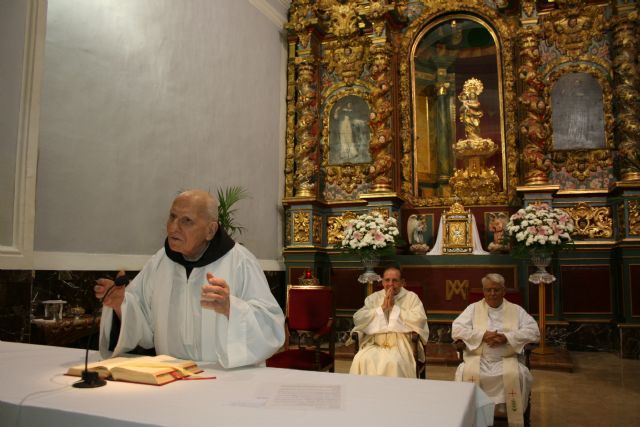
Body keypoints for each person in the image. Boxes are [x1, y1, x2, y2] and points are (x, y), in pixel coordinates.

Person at [94, 189, 285, 368]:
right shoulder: (160, 261)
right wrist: (121, 305)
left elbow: (270, 325)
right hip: (170, 374)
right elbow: (142, 316)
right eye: (172, 217)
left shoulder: (239, 262)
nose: (173, 227)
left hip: (224, 377)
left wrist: (231, 308)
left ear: (210, 230)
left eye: (186, 221)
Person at [452, 273, 540, 426]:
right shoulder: (473, 309)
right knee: (463, 371)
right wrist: (482, 335)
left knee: (520, 374)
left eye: (496, 290)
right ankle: (472, 420)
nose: (492, 294)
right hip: (479, 360)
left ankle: (514, 419)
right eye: (488, 290)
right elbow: (457, 329)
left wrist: (507, 337)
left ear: (503, 291)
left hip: (507, 360)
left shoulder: (516, 310)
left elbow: (534, 331)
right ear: (483, 291)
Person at [349, 266, 429, 378]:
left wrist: (394, 309)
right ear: (382, 282)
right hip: (375, 342)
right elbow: (358, 318)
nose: (390, 284)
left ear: (402, 282)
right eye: (387, 280)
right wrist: (380, 309)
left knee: (394, 362)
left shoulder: (411, 298)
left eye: (395, 280)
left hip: (401, 343)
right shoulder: (374, 298)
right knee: (362, 359)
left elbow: (419, 320)